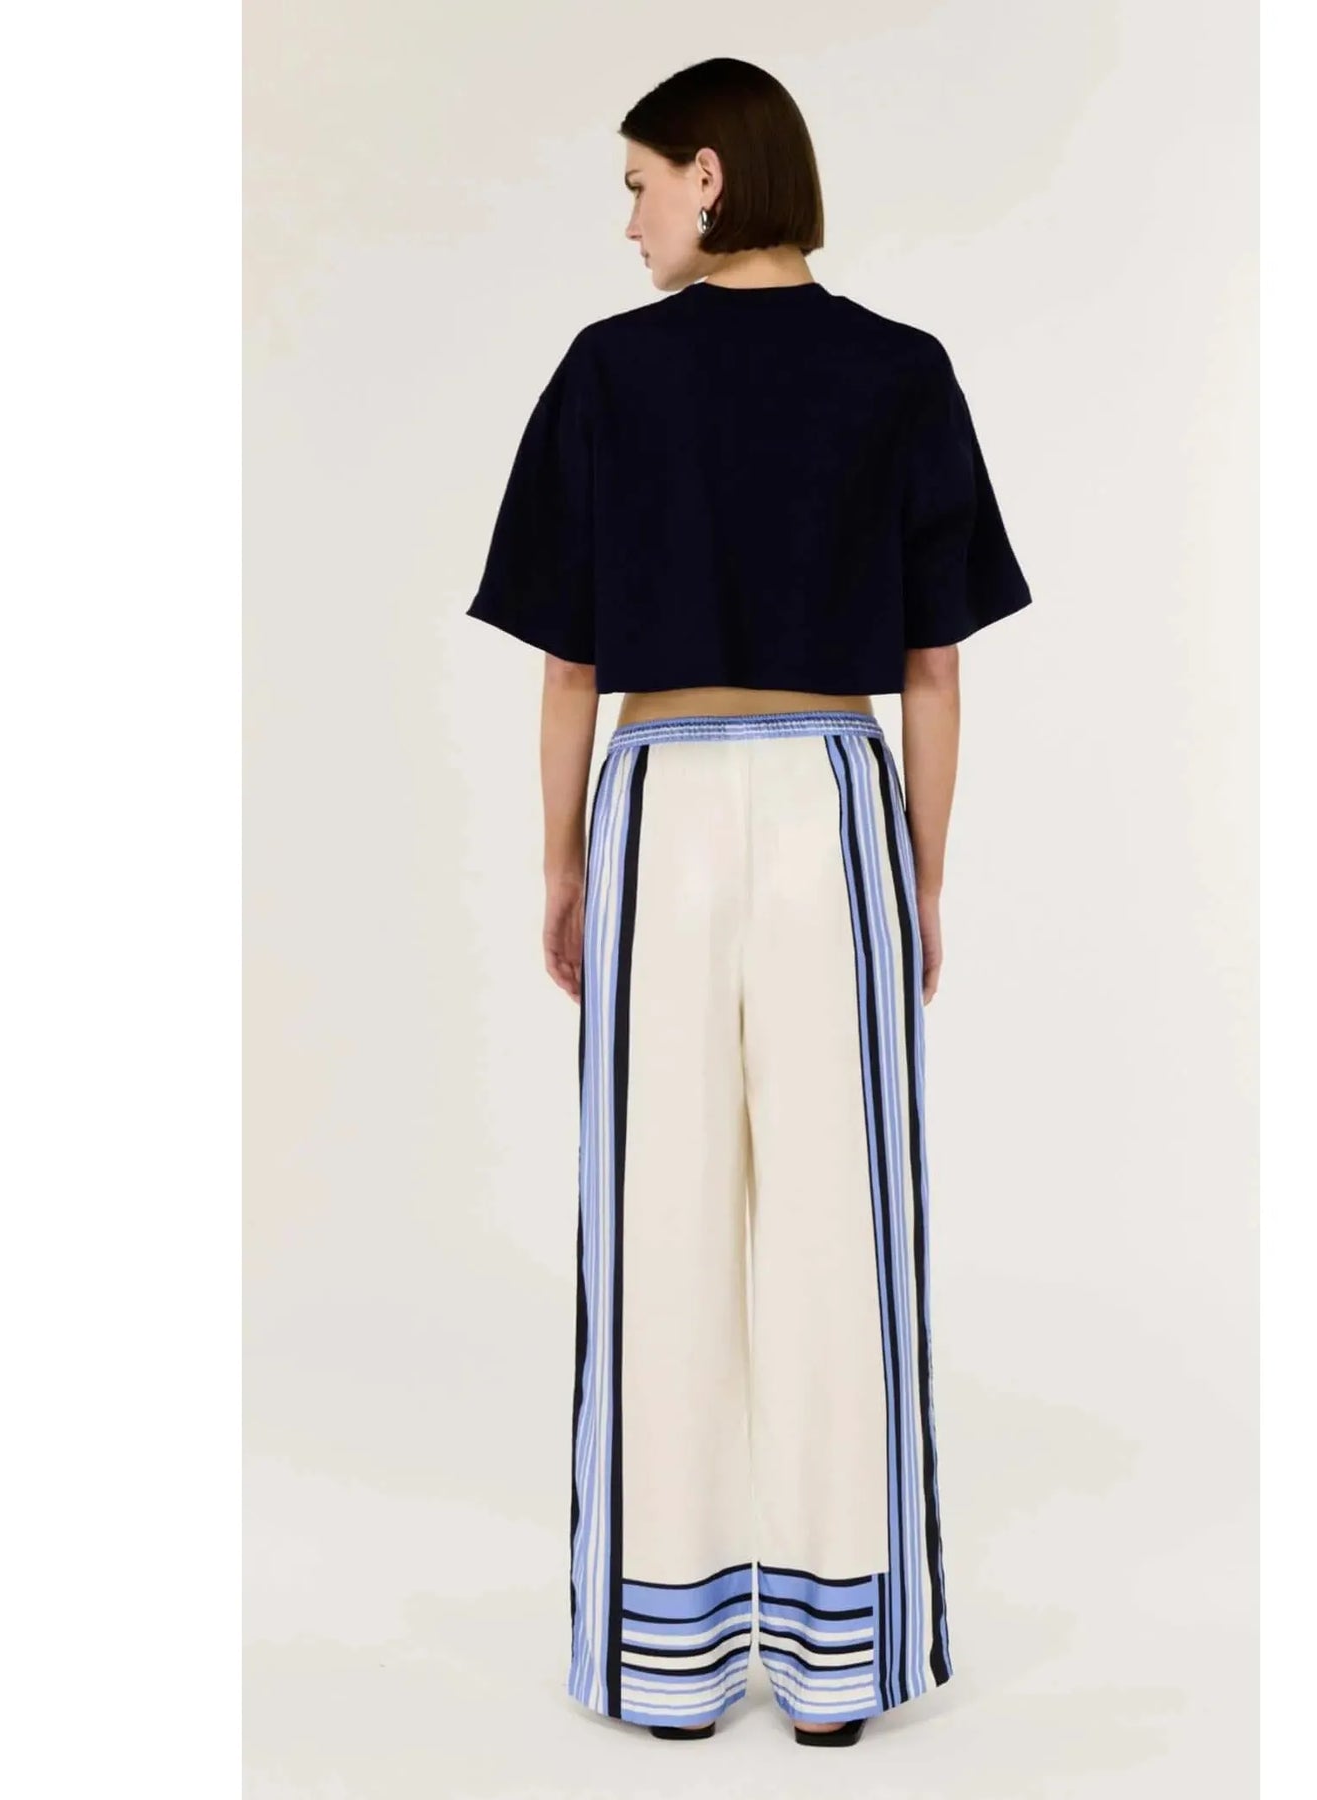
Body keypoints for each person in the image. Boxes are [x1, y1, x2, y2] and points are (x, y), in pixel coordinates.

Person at [465, 56, 1033, 1748]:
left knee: (658, 1219)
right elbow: (933, 670)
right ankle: (841, 1666)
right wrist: (918, 873)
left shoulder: (608, 373)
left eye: (640, 183)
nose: (630, 219)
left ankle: (670, 1658)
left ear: (710, 176)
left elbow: (571, 668)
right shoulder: (901, 371)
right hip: (833, 794)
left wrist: (562, 861)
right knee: (844, 1228)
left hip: (659, 796)